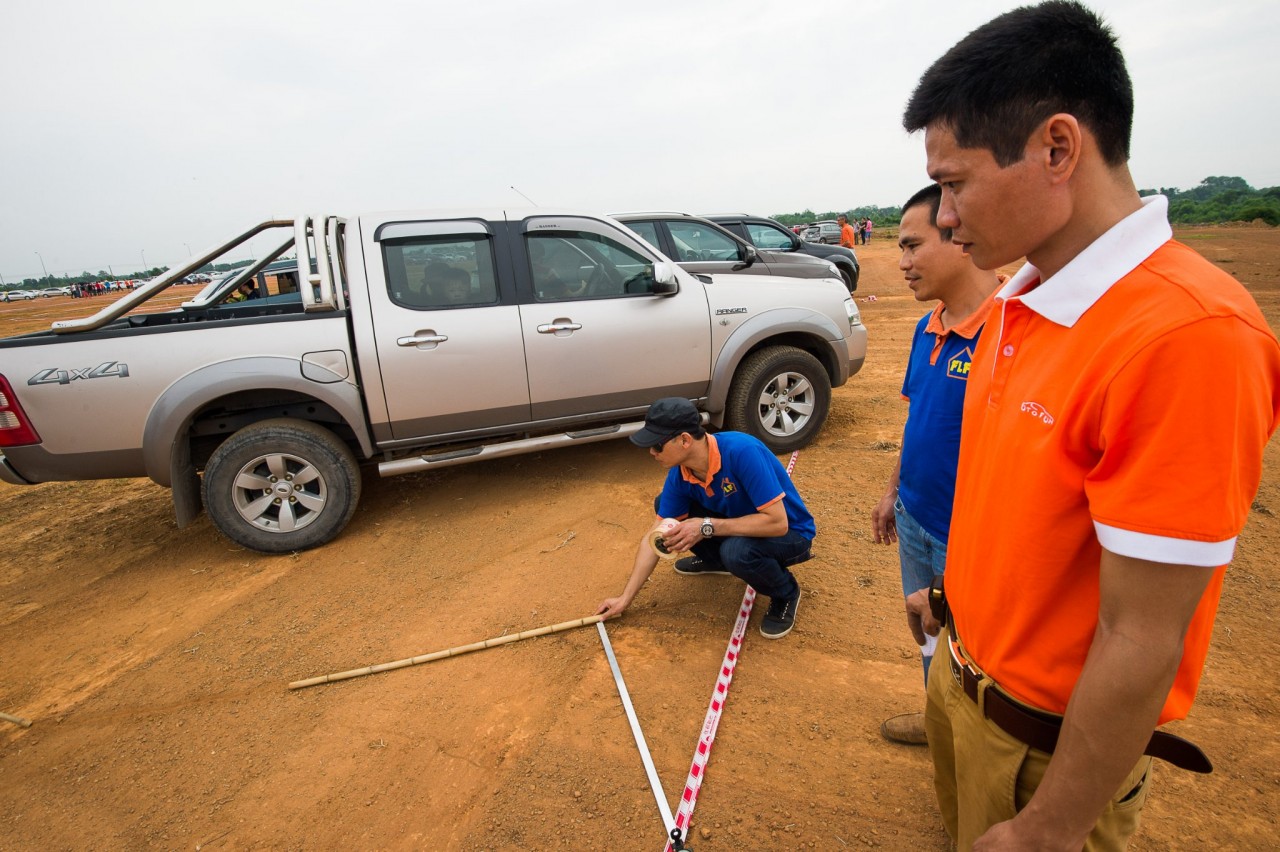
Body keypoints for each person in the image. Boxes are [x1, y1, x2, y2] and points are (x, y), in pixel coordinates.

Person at [902, 2, 1280, 849]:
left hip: (1045, 754)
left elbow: (1142, 629)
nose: (947, 218)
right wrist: (959, 600)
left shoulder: (1189, 337)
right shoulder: (1018, 298)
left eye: (955, 184)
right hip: (963, 681)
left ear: (1058, 148)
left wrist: (1053, 824)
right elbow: (1024, 505)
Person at [871, 184, 1002, 746]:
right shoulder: (928, 329)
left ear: (959, 236)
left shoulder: (1009, 333)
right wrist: (893, 493)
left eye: (910, 246)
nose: (901, 264)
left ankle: (971, 751)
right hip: (917, 521)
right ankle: (938, 721)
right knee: (928, 638)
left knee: (974, 657)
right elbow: (918, 424)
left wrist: (971, 560)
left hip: (968, 543)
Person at [597, 398, 813, 639]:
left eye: (657, 445)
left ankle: (786, 593)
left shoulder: (742, 451)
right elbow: (655, 533)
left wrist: (706, 527)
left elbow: (777, 523)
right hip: (741, 524)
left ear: (685, 440)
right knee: (667, 512)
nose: (651, 452)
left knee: (736, 551)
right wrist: (624, 599)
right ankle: (718, 562)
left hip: (791, 535)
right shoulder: (680, 474)